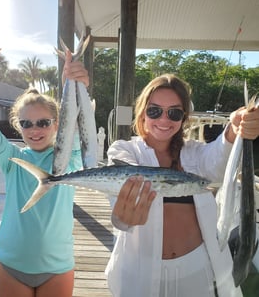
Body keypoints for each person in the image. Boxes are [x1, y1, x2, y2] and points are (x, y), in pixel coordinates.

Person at [105, 74, 259, 297]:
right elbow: (120, 186)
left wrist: (235, 129)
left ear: (184, 117)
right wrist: (125, 214)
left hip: (197, 268)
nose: (164, 120)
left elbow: (217, 157)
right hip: (140, 269)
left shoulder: (194, 153)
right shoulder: (124, 150)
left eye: (174, 112)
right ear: (142, 113)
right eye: (154, 110)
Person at [0, 51, 89, 297]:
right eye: (26, 124)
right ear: (18, 126)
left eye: (43, 123)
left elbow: (76, 118)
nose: (35, 129)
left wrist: (74, 81)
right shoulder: (11, 158)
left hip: (57, 268)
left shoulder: (69, 158)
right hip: (12, 264)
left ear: (57, 124)